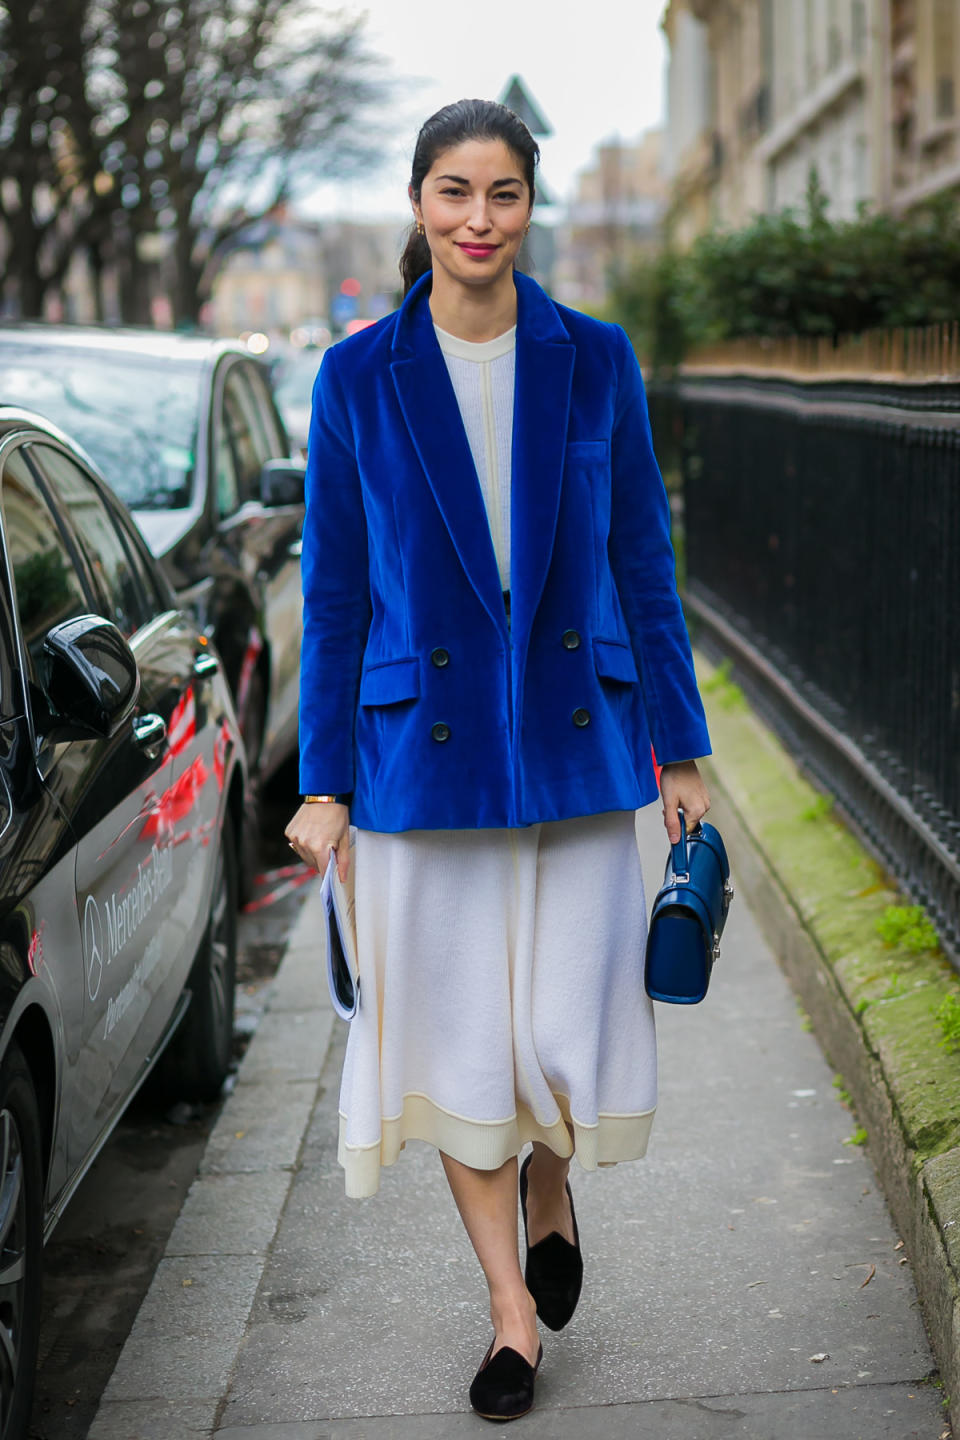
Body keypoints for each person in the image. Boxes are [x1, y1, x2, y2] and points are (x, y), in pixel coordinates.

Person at [285, 98, 711, 1423]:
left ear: (533, 208)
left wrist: (683, 748)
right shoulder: (358, 375)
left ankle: (549, 1177)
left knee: (552, 1039)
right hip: (427, 762)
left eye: (505, 194)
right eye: (455, 192)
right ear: (419, 203)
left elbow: (643, 555)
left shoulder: (596, 359)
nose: (479, 220)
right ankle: (510, 1316)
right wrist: (323, 779)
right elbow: (336, 591)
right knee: (465, 1042)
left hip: (581, 747)